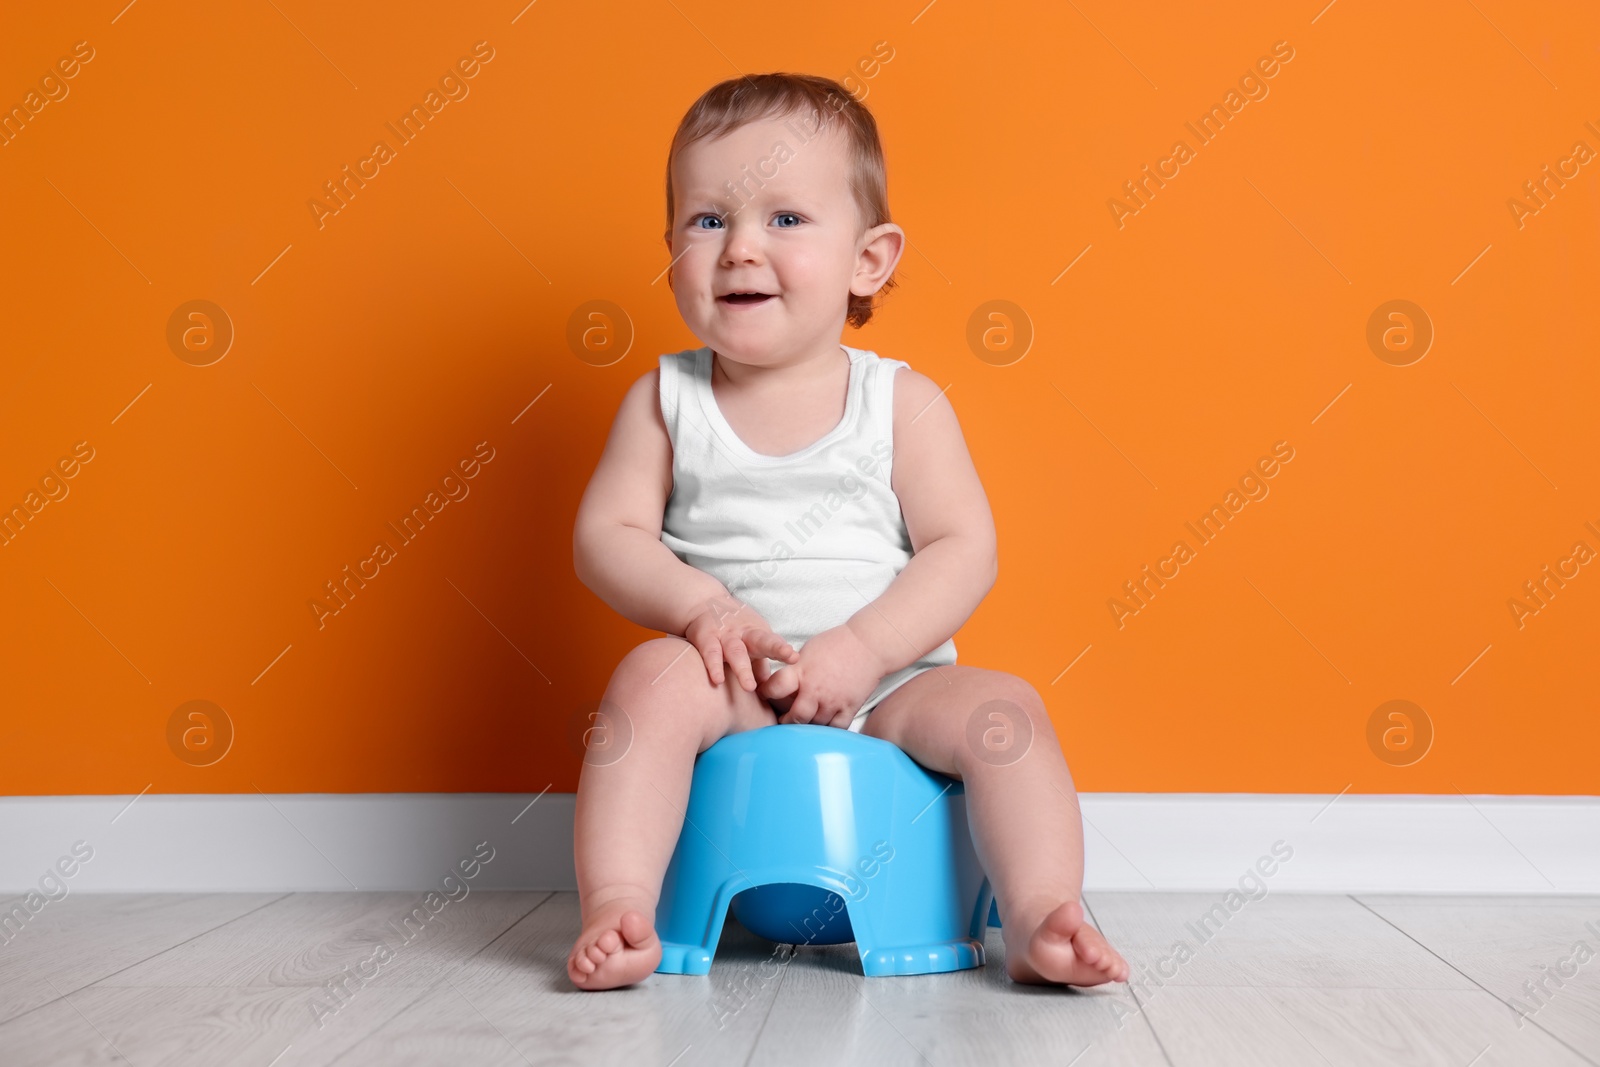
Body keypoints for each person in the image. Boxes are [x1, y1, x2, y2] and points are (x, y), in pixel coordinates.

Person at [568, 72, 1129, 990]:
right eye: (708, 220)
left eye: (785, 219)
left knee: (1008, 714)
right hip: (736, 687)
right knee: (644, 683)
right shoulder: (665, 400)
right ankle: (623, 903)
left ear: (870, 260)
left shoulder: (901, 404)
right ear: (668, 247)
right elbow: (607, 537)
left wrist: (865, 648)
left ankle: (1039, 912)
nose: (740, 249)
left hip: (890, 698)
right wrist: (703, 609)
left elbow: (963, 548)